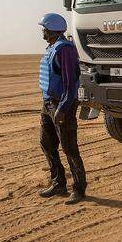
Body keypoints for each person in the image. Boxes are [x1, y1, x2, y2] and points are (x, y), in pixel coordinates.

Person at [37, 13, 86, 204]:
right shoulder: (51, 47)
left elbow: (70, 83)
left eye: (44, 28)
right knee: (46, 143)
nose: (42, 31)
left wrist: (63, 108)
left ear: (52, 29)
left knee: (69, 148)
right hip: (48, 103)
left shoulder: (65, 50)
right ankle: (58, 183)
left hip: (61, 105)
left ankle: (79, 188)